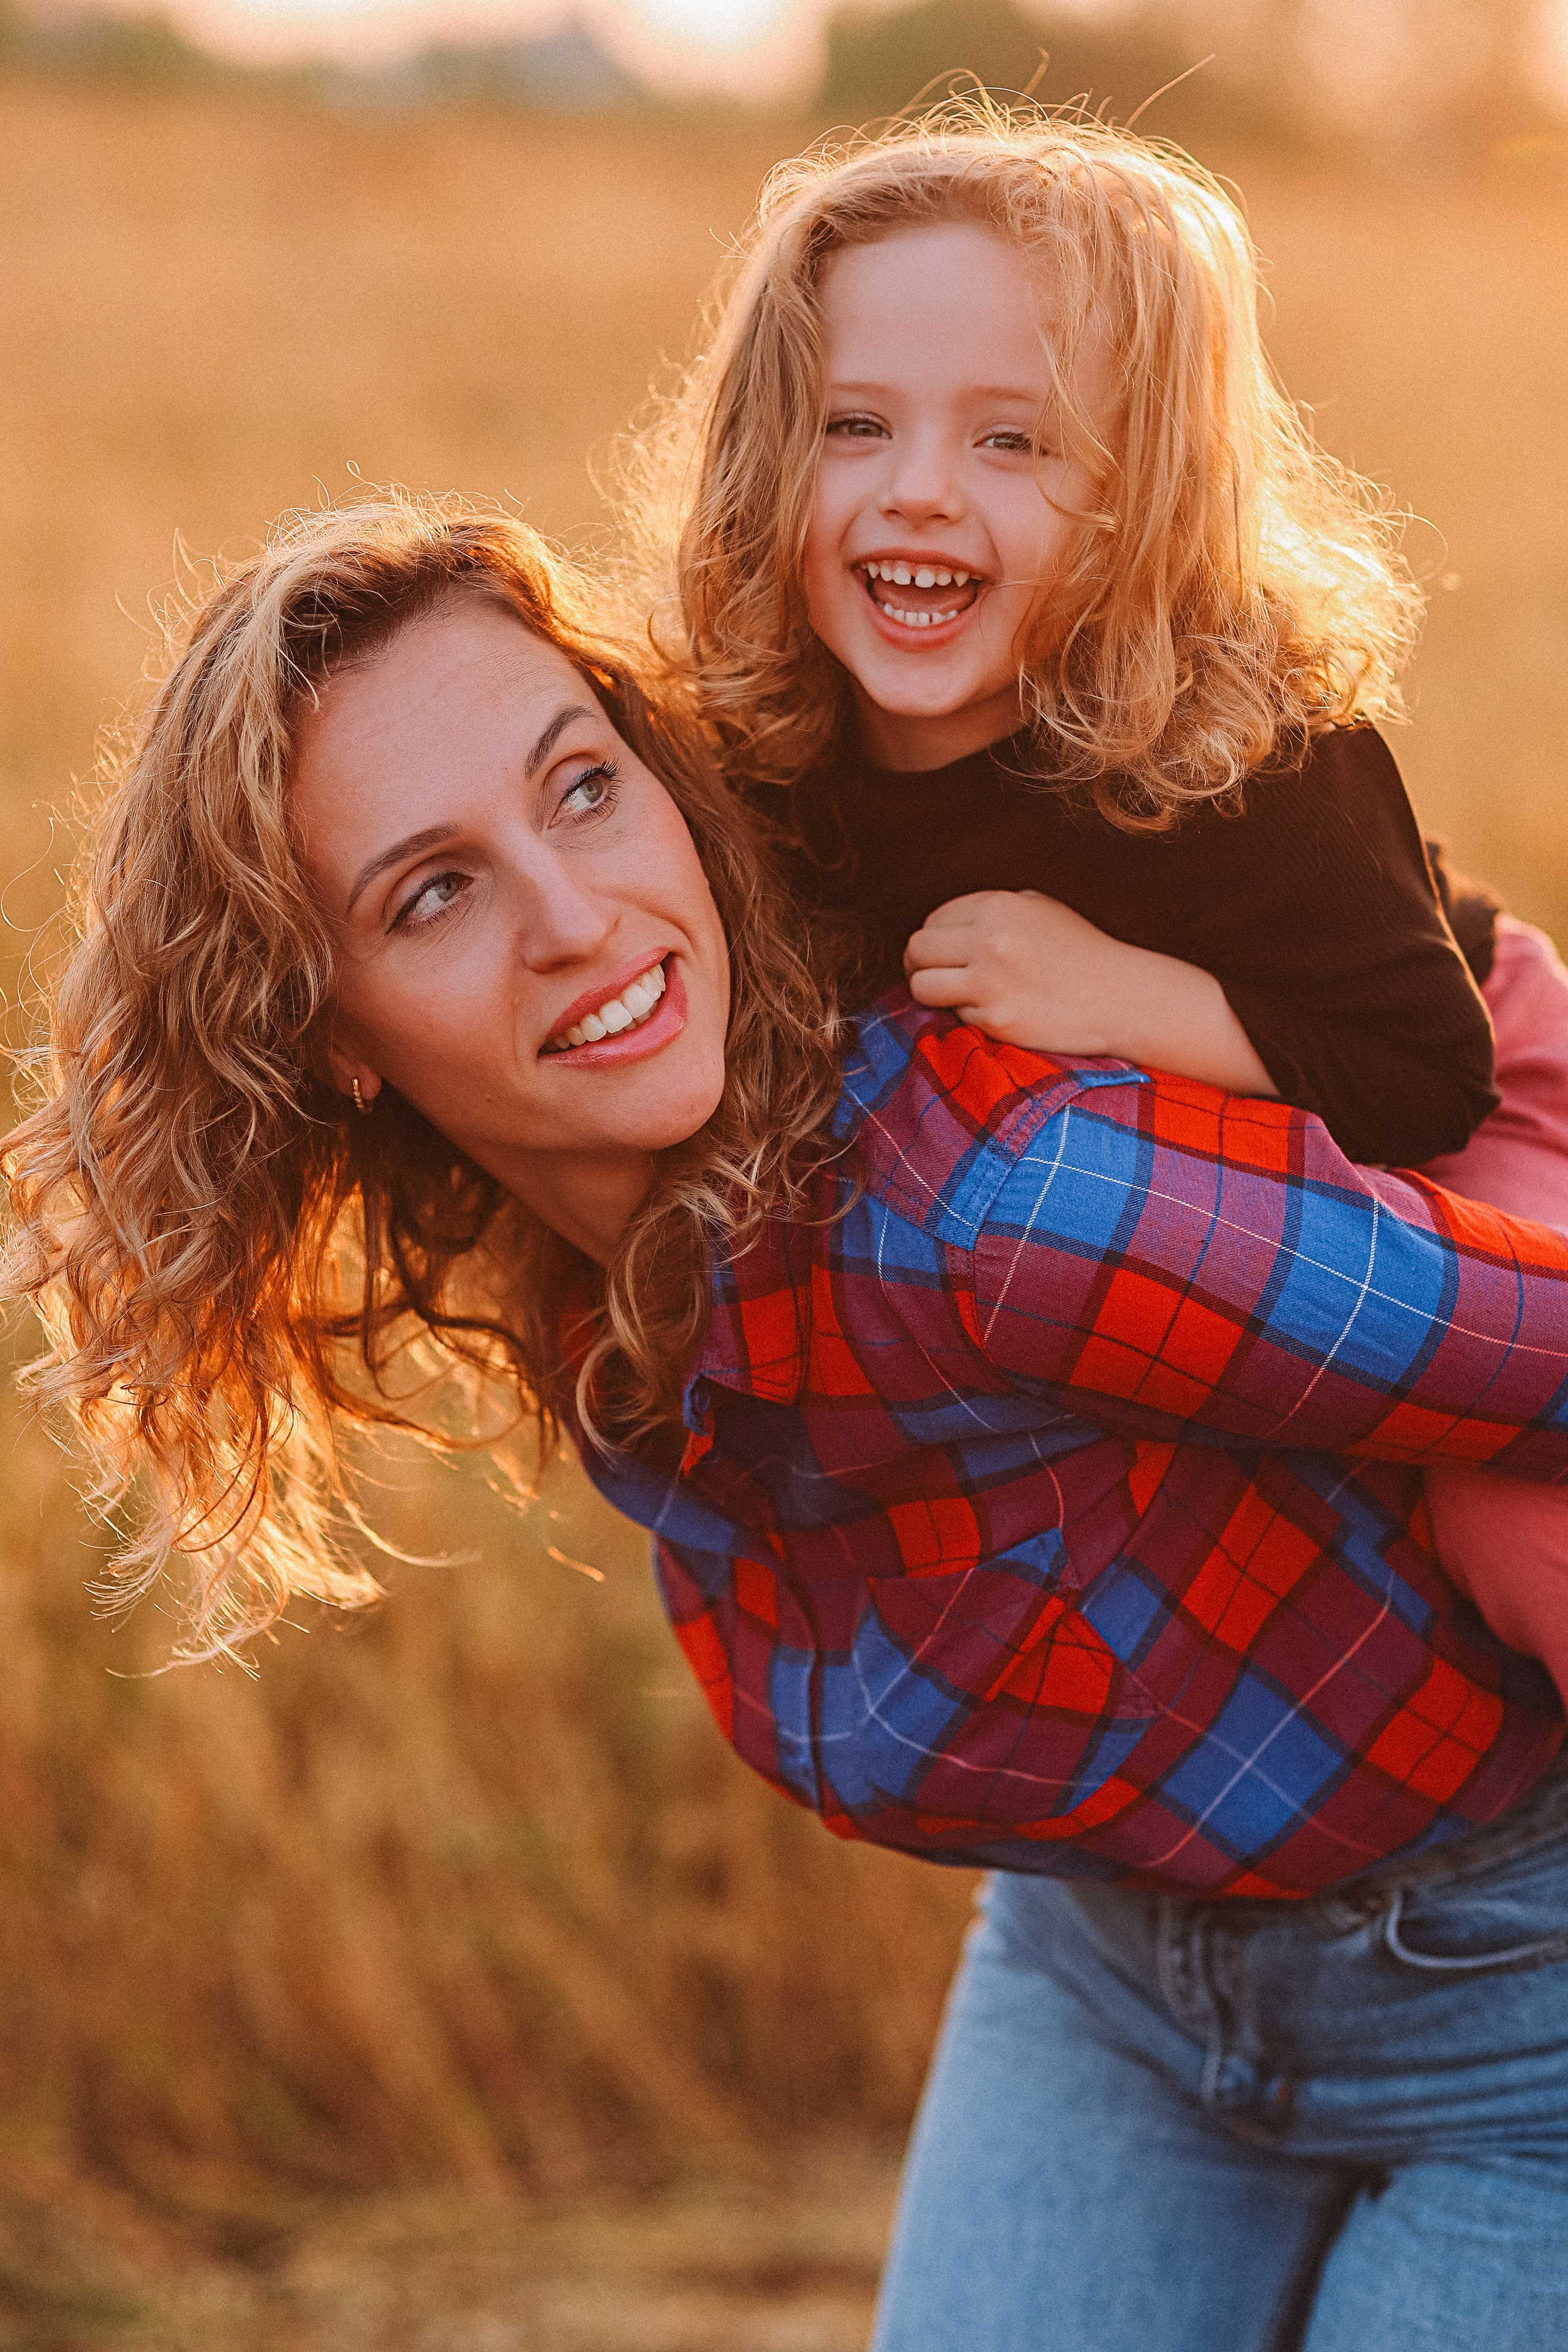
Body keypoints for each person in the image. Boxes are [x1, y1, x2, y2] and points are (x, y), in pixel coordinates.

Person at [6, 499, 1568, 2345]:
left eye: (583, 787)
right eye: (434, 894)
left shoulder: (1012, 1205)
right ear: (332, 1032)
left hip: (1513, 1997)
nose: (575, 921)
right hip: (1106, 1978)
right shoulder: (595, 1283)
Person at [633, 105, 1568, 1705]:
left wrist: (1124, 998)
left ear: (1144, 493)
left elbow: (1427, 1072)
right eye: (854, 425)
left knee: (1511, 1521)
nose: (920, 492)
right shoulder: (772, 765)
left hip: (1467, 1070)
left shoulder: (1249, 750)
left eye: (1013, 441)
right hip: (1223, 1154)